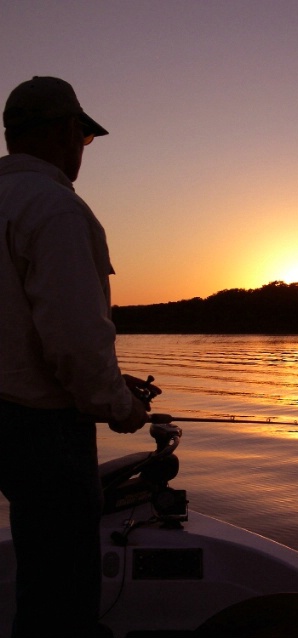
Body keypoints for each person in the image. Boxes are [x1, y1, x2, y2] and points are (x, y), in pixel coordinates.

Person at [0, 76, 158, 638]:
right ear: (69, 130)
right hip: (43, 433)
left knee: (37, 576)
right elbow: (73, 342)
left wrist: (109, 382)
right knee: (62, 600)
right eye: (84, 138)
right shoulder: (58, 209)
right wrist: (119, 405)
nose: (82, 151)